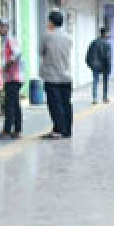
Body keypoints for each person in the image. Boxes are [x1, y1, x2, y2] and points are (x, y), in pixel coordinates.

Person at [40, 10, 73, 138]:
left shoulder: (47, 36)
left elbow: (41, 52)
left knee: (55, 104)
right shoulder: (68, 37)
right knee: (66, 104)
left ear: (51, 22)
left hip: (52, 76)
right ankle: (67, 131)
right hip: (66, 76)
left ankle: (58, 130)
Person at [0, 18, 22, 139]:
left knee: (10, 105)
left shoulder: (10, 39)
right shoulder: (6, 40)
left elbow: (17, 54)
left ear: (5, 27)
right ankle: (17, 130)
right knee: (14, 104)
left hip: (13, 77)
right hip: (12, 77)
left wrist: (6, 66)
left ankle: (7, 131)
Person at [85, 27, 111, 104]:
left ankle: (94, 99)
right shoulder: (107, 44)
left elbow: (88, 55)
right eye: (108, 33)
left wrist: (90, 64)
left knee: (95, 81)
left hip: (95, 65)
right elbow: (108, 57)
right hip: (104, 66)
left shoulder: (93, 42)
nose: (109, 35)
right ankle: (105, 98)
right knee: (105, 81)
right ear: (105, 33)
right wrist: (109, 67)